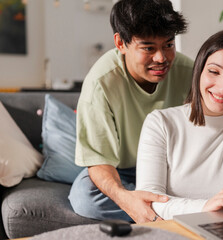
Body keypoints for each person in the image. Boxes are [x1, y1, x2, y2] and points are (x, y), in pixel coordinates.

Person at [68, 0, 193, 223]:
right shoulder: (101, 82)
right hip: (123, 171)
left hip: (171, 169)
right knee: (84, 195)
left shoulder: (190, 72)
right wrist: (126, 199)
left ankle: (163, 204)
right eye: (148, 48)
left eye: (168, 45)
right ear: (121, 43)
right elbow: (99, 162)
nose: (161, 58)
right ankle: (170, 208)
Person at [136, 29, 223, 220]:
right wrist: (205, 207)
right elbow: (150, 200)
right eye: (214, 72)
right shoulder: (161, 124)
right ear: (199, 71)